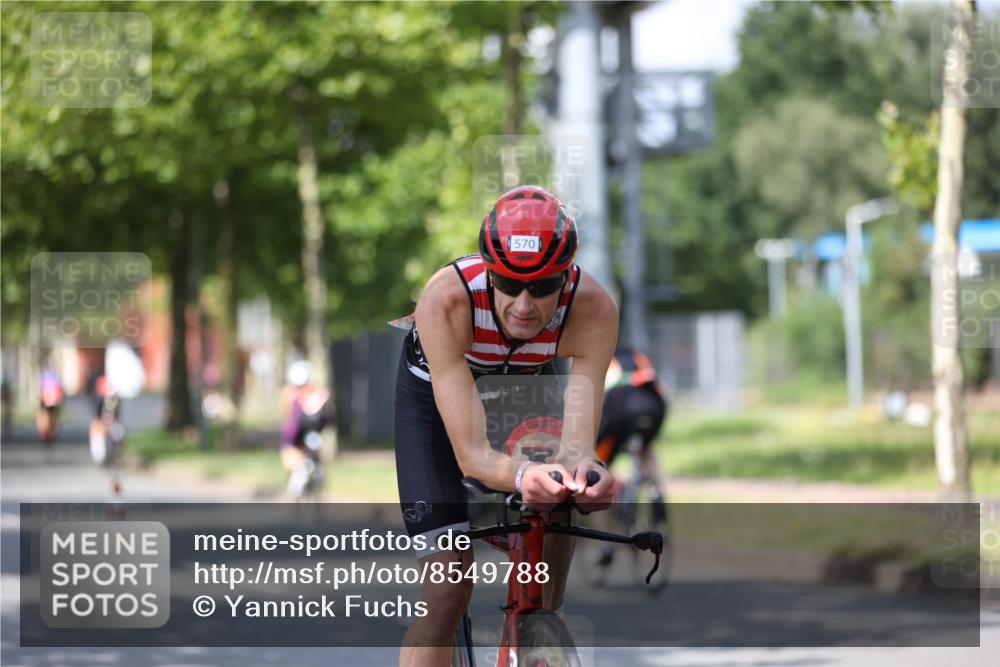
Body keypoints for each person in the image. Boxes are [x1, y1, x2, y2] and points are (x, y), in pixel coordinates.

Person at [394, 185, 618, 666]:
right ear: (488, 271)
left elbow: (578, 446)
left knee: (560, 490)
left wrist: (589, 473)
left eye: (542, 287)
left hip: (521, 386)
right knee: (447, 591)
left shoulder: (593, 308)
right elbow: (472, 455)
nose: (523, 305)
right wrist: (519, 475)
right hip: (434, 401)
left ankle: (540, 625)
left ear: (566, 277)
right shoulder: (447, 300)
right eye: (508, 284)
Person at [595, 345, 669, 469]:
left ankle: (602, 472)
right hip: (654, 411)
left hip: (623, 415)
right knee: (645, 446)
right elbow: (657, 383)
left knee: (605, 447)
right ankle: (652, 479)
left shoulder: (609, 357)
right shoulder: (638, 355)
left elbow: (607, 384)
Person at [280, 360, 330, 483]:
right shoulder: (291, 394)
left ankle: (315, 472)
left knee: (312, 449)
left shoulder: (313, 393)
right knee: (296, 455)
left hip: (307, 433)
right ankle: (305, 472)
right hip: (296, 433)